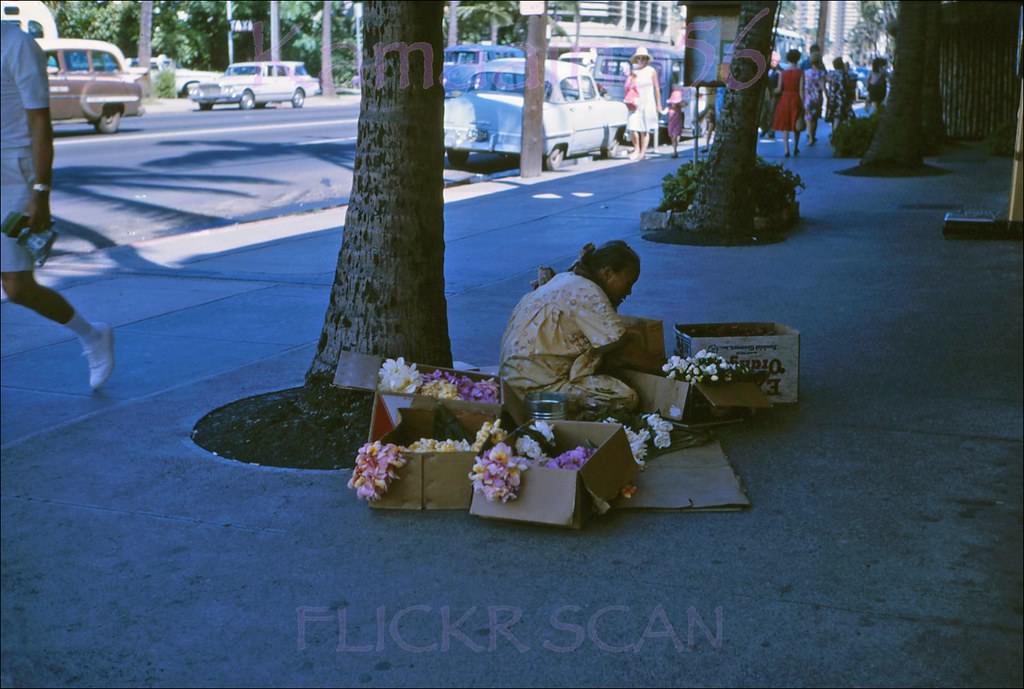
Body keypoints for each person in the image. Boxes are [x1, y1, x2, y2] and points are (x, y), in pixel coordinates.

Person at [1, 22, 114, 390]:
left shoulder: (17, 44)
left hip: (14, 174)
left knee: (17, 287)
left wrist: (40, 192)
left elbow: (40, 124)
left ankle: (92, 336)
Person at [500, 241, 663, 419]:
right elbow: (623, 352)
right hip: (534, 388)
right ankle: (572, 422)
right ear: (608, 273)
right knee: (626, 397)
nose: (629, 291)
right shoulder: (589, 292)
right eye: (628, 283)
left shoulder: (565, 279)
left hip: (509, 381)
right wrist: (666, 368)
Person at [625, 47, 661, 161]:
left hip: (648, 101)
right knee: (633, 126)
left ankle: (642, 152)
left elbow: (656, 88)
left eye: (643, 58)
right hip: (636, 102)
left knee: (644, 129)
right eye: (638, 58)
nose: (641, 60)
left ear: (646, 59)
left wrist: (658, 104)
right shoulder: (634, 72)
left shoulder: (651, 70)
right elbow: (628, 87)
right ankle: (636, 149)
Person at [772, 48, 804, 158]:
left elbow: (779, 89)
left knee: (785, 125)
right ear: (798, 59)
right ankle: (795, 147)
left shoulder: (783, 73)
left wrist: (772, 90)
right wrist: (803, 104)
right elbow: (801, 90)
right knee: (796, 124)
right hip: (795, 99)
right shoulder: (800, 73)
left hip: (784, 99)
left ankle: (786, 150)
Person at [802, 54, 827, 145]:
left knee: (808, 118)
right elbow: (823, 86)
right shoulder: (822, 73)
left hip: (808, 97)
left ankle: (810, 137)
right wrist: (827, 96)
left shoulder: (806, 73)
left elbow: (803, 85)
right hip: (817, 98)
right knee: (815, 118)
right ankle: (813, 135)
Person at [826, 57, 854, 127]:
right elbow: (849, 88)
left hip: (832, 99)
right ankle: (837, 135)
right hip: (841, 99)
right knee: (840, 118)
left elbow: (826, 79)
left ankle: (834, 134)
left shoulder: (831, 74)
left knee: (834, 118)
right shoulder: (844, 75)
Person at [758, 54, 781, 139]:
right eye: (773, 60)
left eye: (777, 61)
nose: (775, 63)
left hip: (774, 96)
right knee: (762, 115)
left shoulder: (780, 71)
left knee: (772, 114)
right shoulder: (764, 69)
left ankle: (771, 131)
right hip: (765, 95)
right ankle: (764, 128)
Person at [665, 85, 685, 158]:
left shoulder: (678, 107)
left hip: (676, 123)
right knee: (672, 136)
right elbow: (664, 111)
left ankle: (675, 151)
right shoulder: (670, 107)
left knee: (675, 136)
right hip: (671, 124)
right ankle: (675, 149)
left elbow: (685, 104)